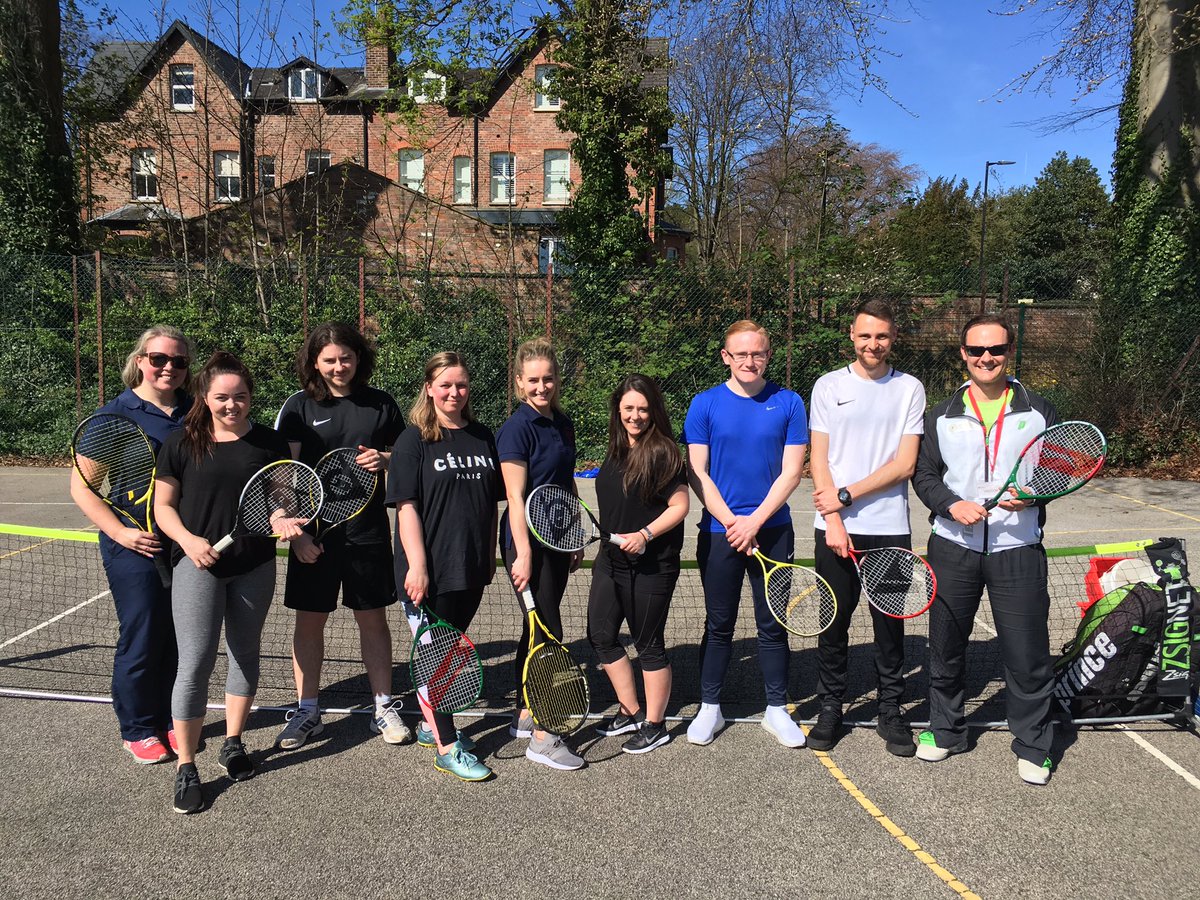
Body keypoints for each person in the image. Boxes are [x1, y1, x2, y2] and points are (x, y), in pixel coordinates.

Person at [154, 352, 306, 814]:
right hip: (197, 565)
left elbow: (280, 497)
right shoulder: (181, 443)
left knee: (245, 652)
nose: (231, 405)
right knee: (195, 662)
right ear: (204, 396)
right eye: (222, 397)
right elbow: (163, 507)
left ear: (250, 397)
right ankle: (186, 765)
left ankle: (234, 742)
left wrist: (280, 518)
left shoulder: (270, 443)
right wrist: (188, 541)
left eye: (240, 396)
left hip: (253, 565)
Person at [912, 313, 1058, 786]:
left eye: (995, 349)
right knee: (946, 647)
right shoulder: (941, 415)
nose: (986, 358)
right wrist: (951, 505)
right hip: (953, 546)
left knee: (1027, 652)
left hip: (1019, 548)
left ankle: (1034, 744)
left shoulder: (1040, 410)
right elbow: (924, 475)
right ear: (964, 354)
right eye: (976, 350)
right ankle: (945, 730)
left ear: (1009, 352)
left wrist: (1034, 494)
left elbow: (1061, 468)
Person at [274, 323, 409, 750]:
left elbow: (408, 457)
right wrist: (296, 533)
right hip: (313, 537)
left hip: (367, 533)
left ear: (358, 358)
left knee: (373, 620)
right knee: (309, 622)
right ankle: (307, 710)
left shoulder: (381, 404)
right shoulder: (298, 407)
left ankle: (383, 707)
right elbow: (284, 475)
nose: (339, 366)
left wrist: (386, 459)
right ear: (315, 362)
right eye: (329, 359)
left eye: (346, 358)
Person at [69, 326, 194, 765]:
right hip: (134, 542)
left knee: (178, 634)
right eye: (159, 359)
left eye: (179, 361)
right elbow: (83, 488)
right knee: (143, 632)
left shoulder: (195, 410)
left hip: (183, 541)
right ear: (140, 360)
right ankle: (138, 727)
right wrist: (120, 532)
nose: (168, 367)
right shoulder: (114, 415)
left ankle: (170, 718)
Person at [681, 320, 809, 748]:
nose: (749, 361)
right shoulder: (704, 404)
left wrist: (755, 521)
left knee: (773, 624)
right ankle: (710, 708)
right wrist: (733, 522)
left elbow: (792, 472)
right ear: (726, 357)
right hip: (719, 533)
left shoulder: (789, 403)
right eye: (741, 354)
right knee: (719, 624)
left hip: (773, 532)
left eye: (757, 353)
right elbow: (697, 472)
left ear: (768, 355)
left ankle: (776, 709)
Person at [807, 299, 925, 756]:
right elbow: (819, 459)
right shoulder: (828, 386)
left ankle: (890, 710)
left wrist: (845, 495)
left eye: (881, 336)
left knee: (889, 626)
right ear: (852, 337)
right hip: (834, 529)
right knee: (833, 623)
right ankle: (831, 706)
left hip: (889, 528)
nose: (873, 344)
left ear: (893, 338)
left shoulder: (909, 388)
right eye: (865, 335)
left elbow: (905, 464)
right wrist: (834, 519)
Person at [387, 352, 501, 781]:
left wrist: (488, 555)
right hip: (429, 572)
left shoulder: (482, 436)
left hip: (470, 566)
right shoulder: (413, 439)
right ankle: (448, 747)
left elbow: (490, 505)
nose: (455, 392)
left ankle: (428, 724)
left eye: (462, 385)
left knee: (451, 652)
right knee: (436, 657)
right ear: (429, 388)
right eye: (446, 385)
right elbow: (406, 508)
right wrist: (417, 566)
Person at [587, 374, 689, 754]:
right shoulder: (615, 448)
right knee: (601, 635)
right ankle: (630, 710)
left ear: (653, 411)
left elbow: (680, 505)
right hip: (610, 562)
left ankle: (656, 724)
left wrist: (645, 535)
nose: (635, 415)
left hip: (652, 566)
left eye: (643, 409)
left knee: (648, 645)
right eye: (629, 408)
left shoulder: (663, 451)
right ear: (618, 409)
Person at [497, 337, 586, 770]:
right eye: (532, 380)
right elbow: (515, 497)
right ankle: (544, 736)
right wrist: (523, 553)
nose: (541, 387)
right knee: (548, 628)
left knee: (537, 626)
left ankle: (524, 710)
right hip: (525, 541)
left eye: (548, 378)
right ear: (519, 382)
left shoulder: (563, 423)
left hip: (558, 536)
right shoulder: (516, 429)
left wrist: (575, 534)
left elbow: (565, 483)